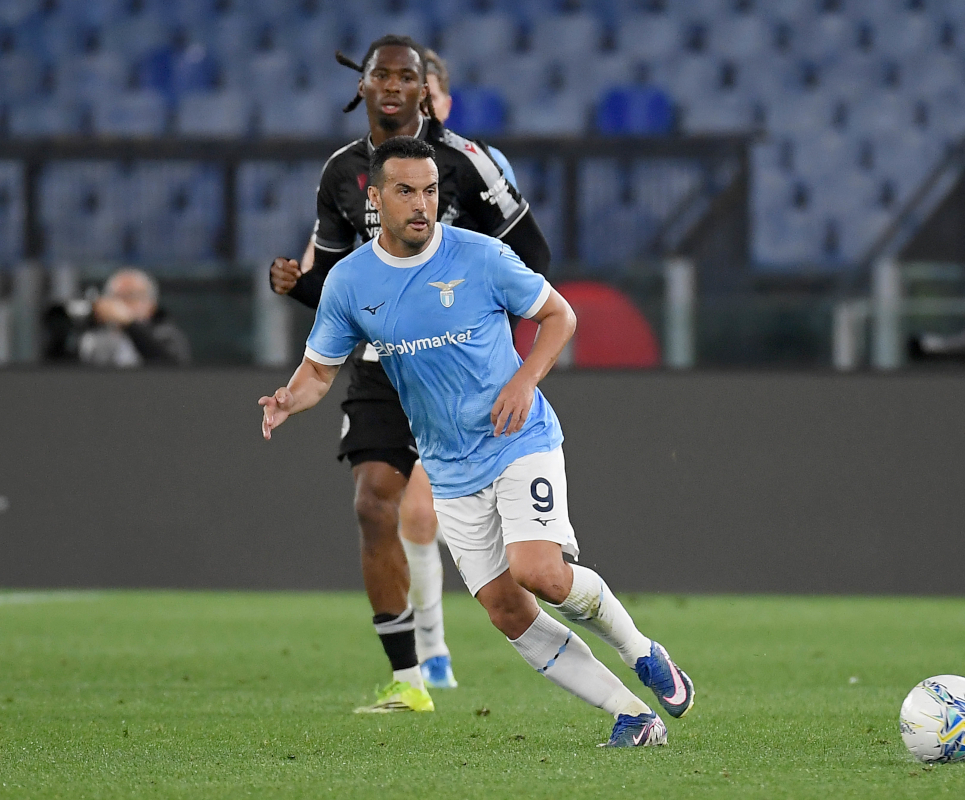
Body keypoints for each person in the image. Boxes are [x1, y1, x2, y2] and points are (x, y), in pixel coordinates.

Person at [259, 136, 695, 747]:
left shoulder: (481, 255)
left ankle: (644, 651)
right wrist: (288, 398)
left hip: (519, 439)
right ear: (376, 198)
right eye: (406, 191)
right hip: (448, 466)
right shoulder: (350, 282)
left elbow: (560, 316)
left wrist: (523, 381)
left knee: (538, 572)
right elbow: (320, 370)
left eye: (431, 191)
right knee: (506, 610)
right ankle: (633, 715)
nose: (421, 204)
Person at [266, 35, 552, 712]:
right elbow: (338, 288)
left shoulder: (465, 162)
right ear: (361, 86)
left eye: (406, 76)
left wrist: (487, 340)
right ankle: (411, 677)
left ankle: (568, 630)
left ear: (425, 89)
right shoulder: (340, 172)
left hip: (461, 365)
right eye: (381, 75)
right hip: (379, 364)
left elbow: (531, 256)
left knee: (451, 524)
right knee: (375, 504)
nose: (392, 86)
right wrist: (299, 285)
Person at [44, 268, 190, 367]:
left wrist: (129, 323)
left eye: (132, 296)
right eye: (116, 297)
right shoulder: (95, 337)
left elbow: (170, 368)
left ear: (151, 305)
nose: (122, 303)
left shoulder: (167, 334)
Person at [422, 49, 519, 190]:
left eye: (430, 99)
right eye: (413, 98)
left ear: (447, 106)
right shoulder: (381, 169)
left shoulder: (488, 166)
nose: (422, 108)